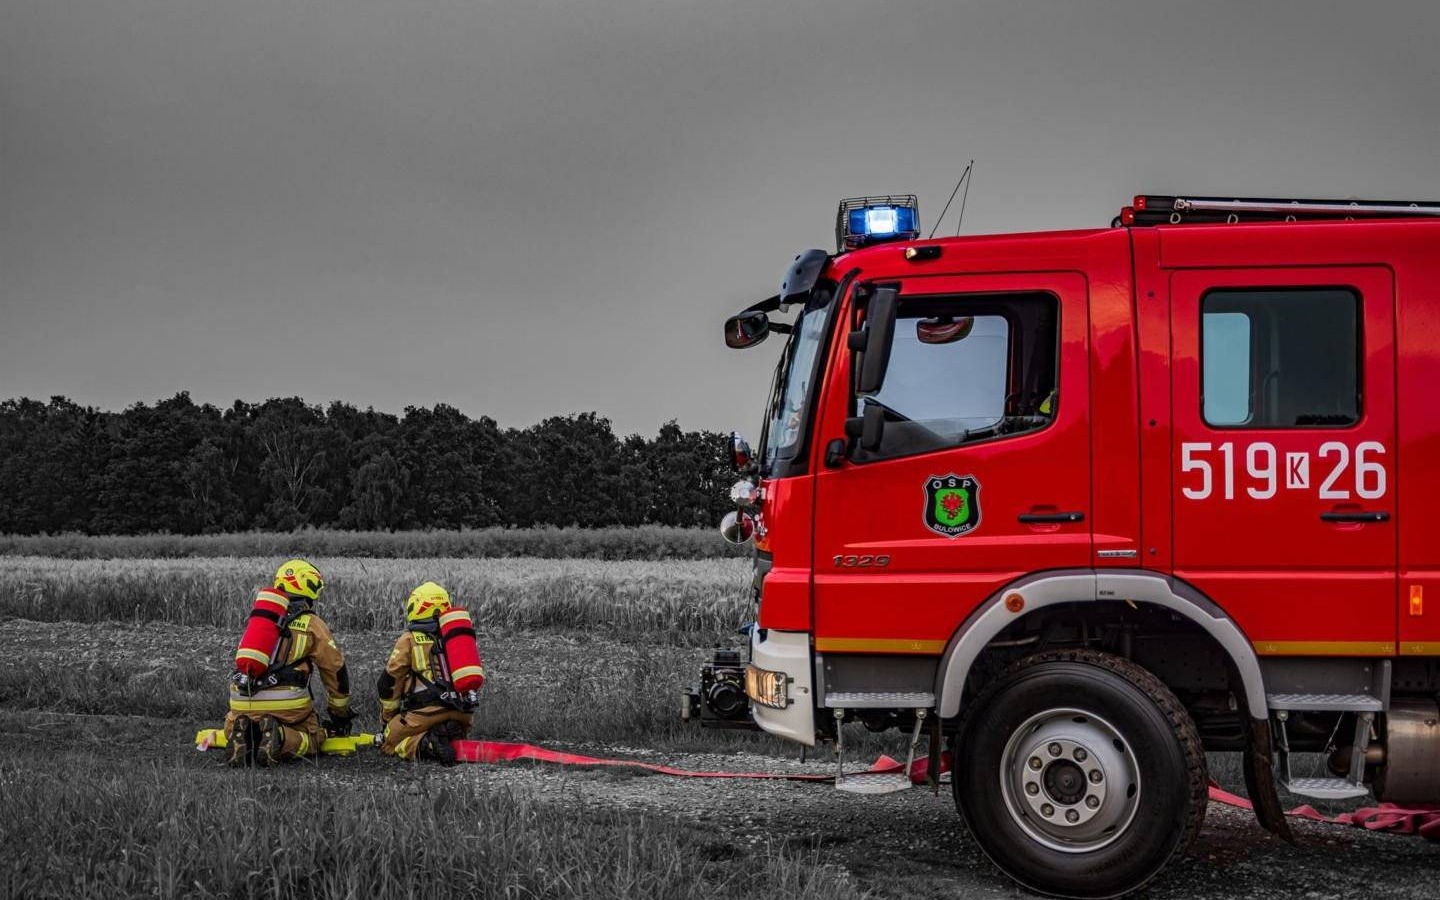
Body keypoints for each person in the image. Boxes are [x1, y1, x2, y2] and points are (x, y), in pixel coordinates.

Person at [223, 559, 354, 766]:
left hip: (242, 700)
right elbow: (335, 670)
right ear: (308, 586)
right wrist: (340, 714)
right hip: (286, 703)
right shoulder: (312, 624)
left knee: (234, 723)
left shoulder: (260, 618)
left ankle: (243, 733)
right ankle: (280, 737)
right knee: (313, 737)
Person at [377, 581, 484, 764]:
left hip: (425, 713)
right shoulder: (456, 638)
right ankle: (448, 731)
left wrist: (389, 719)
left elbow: (390, 680)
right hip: (462, 713)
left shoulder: (409, 639)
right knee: (449, 730)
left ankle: (427, 744)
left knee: (389, 743)